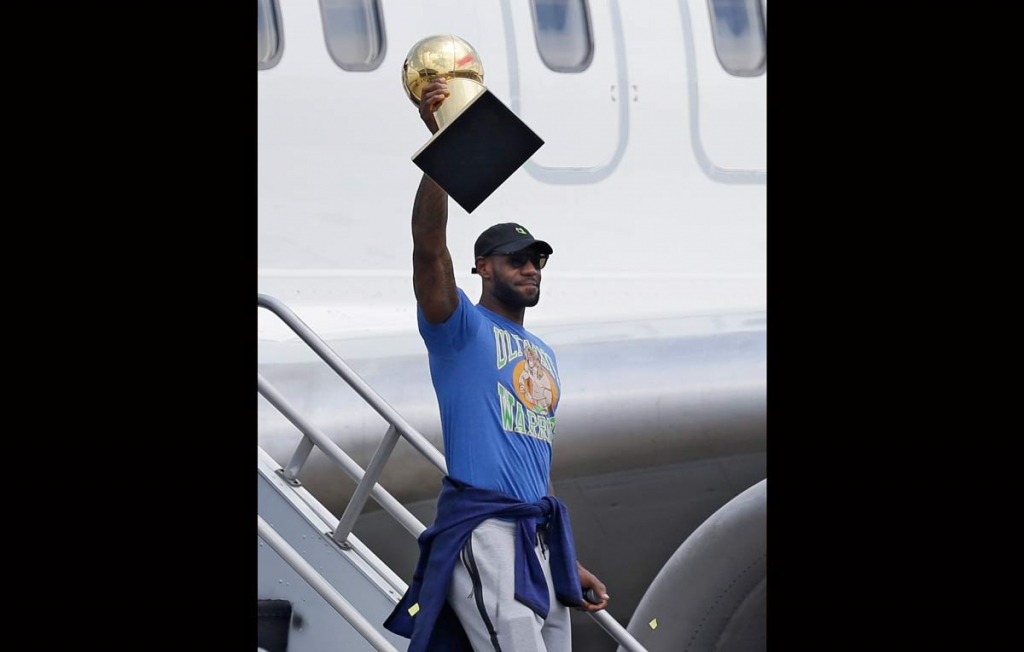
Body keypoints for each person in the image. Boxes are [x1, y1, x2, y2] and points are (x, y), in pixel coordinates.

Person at [383, 78, 609, 652]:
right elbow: (428, 244)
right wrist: (444, 155)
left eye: (538, 260)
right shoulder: (460, 327)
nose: (531, 267)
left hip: (537, 537)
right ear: (483, 266)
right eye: (517, 259)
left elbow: (535, 456)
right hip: (485, 530)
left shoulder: (545, 355)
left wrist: (569, 558)